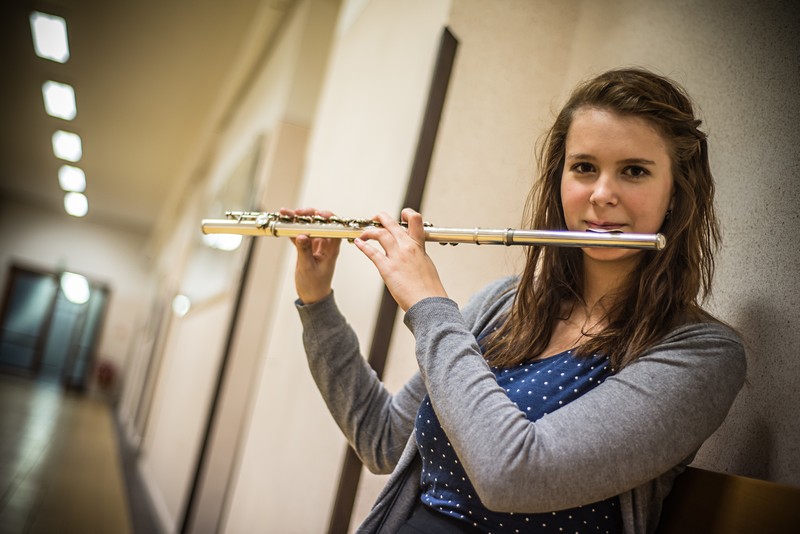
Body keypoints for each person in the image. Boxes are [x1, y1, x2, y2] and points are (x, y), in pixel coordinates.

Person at [285, 67, 746, 534]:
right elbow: (382, 439)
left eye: (634, 171)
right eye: (584, 167)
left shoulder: (701, 354)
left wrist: (428, 304)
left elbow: (513, 475)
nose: (602, 194)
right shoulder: (503, 304)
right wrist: (317, 300)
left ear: (676, 191)